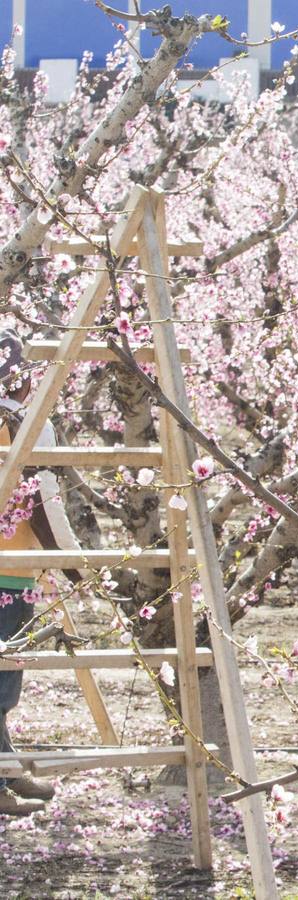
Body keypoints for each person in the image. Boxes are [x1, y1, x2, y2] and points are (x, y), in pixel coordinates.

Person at [0, 328, 79, 816]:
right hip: (7, 574)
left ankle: (5, 768)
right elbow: (43, 509)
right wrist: (75, 568)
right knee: (2, 680)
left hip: (13, 569)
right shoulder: (19, 424)